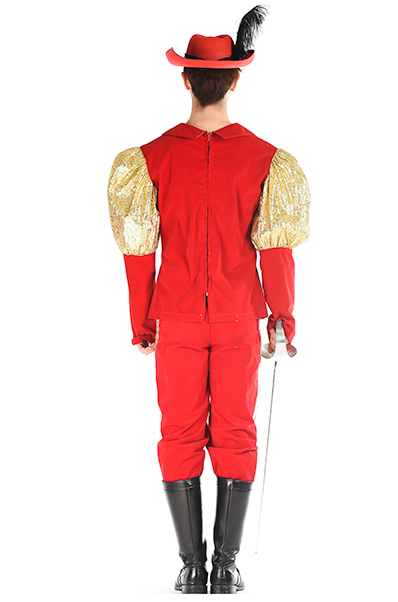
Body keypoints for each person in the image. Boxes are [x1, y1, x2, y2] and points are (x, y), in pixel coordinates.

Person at [107, 6, 310, 594]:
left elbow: (139, 254)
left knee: (178, 434)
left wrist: (142, 322)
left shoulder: (148, 159)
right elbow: (276, 252)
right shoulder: (268, 160)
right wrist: (282, 318)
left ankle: (191, 566)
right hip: (241, 318)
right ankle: (226, 566)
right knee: (236, 432)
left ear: (185, 80)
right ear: (236, 81)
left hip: (175, 319)